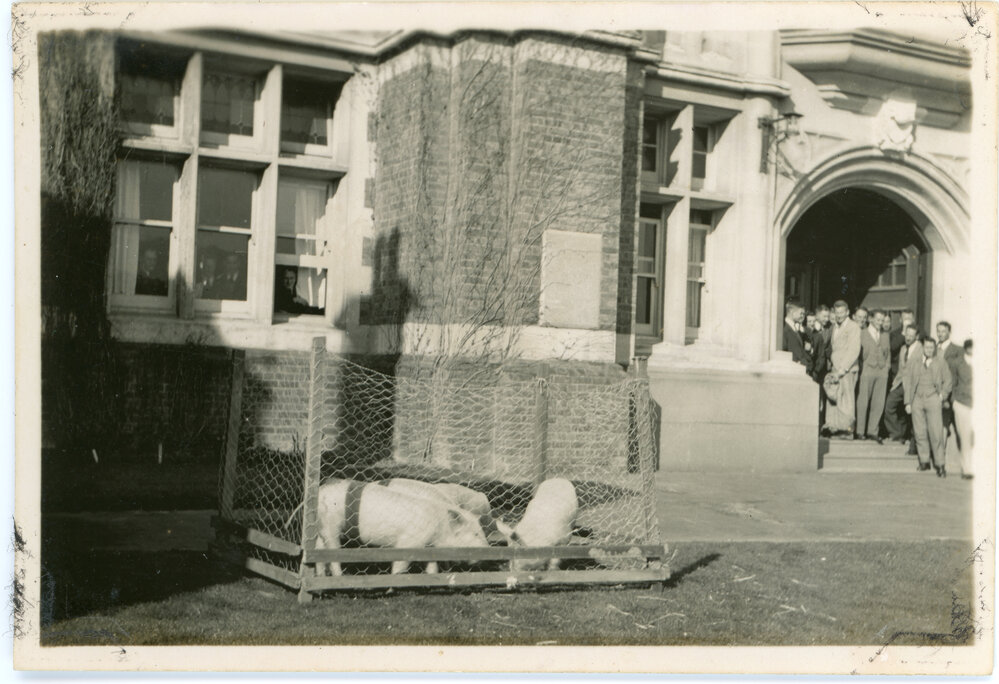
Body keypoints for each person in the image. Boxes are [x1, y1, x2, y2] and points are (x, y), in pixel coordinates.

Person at [905, 336, 953, 477]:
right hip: (917, 399)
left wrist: (941, 396)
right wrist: (908, 402)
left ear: (935, 349)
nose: (929, 350)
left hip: (933, 399)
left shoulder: (940, 362)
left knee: (936, 432)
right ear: (923, 348)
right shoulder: (915, 361)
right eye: (927, 347)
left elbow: (948, 381)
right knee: (919, 432)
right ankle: (924, 461)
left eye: (932, 348)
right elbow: (908, 381)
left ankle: (940, 465)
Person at [824, 300, 861, 438]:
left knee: (846, 400)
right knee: (834, 398)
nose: (839, 315)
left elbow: (853, 350)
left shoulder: (853, 327)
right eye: (837, 312)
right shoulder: (835, 327)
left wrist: (843, 369)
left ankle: (847, 430)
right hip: (835, 369)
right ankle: (834, 428)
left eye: (842, 312)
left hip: (846, 370)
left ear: (847, 312)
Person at [884, 324, 923, 449]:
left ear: (916, 337)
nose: (908, 337)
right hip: (900, 384)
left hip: (913, 385)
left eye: (911, 335)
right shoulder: (902, 349)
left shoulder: (921, 350)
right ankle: (896, 434)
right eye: (907, 334)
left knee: (911, 413)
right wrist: (894, 384)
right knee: (889, 405)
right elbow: (901, 369)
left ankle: (910, 438)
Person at [856, 309, 891, 442]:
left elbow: (888, 355)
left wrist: (886, 368)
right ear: (871, 319)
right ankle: (860, 431)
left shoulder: (885, 335)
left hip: (881, 371)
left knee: (878, 402)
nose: (880, 323)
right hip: (867, 369)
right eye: (878, 320)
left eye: (882, 320)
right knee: (863, 401)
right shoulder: (862, 333)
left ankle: (873, 431)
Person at [936, 321, 963, 453]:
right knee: (941, 424)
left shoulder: (957, 350)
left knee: (959, 428)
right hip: (938, 393)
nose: (940, 334)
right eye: (938, 331)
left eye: (943, 331)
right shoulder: (933, 349)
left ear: (949, 332)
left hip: (953, 394)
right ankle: (939, 455)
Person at [951, 339, 973, 479]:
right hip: (962, 403)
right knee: (964, 437)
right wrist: (953, 401)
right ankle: (967, 469)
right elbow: (952, 382)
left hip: (978, 404)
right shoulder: (957, 363)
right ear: (966, 348)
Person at [782, 300, 813, 375]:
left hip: (800, 369)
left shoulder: (795, 329)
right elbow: (784, 351)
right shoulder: (784, 329)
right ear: (793, 313)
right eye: (801, 313)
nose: (803, 316)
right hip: (793, 371)